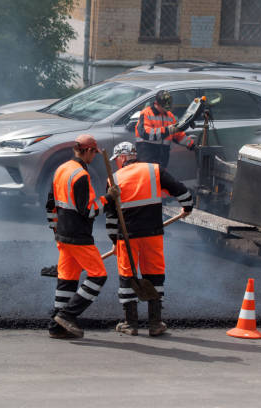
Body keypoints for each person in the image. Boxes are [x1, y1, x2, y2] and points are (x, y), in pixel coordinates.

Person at [105, 141, 193, 336]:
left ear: (121, 158)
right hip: (153, 233)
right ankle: (155, 323)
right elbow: (181, 190)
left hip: (126, 237)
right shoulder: (154, 170)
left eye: (116, 160)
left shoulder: (114, 178)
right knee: (154, 275)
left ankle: (130, 324)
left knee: (127, 277)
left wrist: (114, 241)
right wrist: (187, 207)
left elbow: (110, 216)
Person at [45, 134, 120, 339]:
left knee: (67, 280)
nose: (94, 157)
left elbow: (51, 204)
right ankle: (68, 315)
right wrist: (109, 198)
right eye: (93, 153)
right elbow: (88, 210)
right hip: (78, 235)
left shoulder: (61, 169)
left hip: (63, 234)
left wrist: (56, 232)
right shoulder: (80, 175)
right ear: (86, 150)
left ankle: (56, 326)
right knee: (98, 276)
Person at [135, 90, 195, 168]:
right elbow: (146, 133)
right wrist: (167, 130)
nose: (166, 109)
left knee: (161, 178)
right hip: (147, 153)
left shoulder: (170, 116)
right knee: (149, 178)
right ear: (157, 104)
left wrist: (191, 144)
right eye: (164, 107)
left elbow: (177, 134)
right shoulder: (146, 113)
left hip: (163, 154)